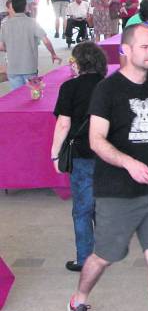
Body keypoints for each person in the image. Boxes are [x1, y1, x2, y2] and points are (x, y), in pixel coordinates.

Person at [67, 24, 148, 311]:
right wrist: (129, 163)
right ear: (125, 50)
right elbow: (96, 140)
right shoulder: (107, 90)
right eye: (144, 47)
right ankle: (79, 298)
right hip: (116, 192)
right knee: (104, 257)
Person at [50, 42, 107, 272]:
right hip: (107, 154)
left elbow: (64, 123)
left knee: (82, 208)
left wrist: (55, 154)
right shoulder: (109, 86)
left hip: (82, 154)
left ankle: (85, 258)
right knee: (101, 206)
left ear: (79, 63)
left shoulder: (70, 88)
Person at [0, 0, 60, 89]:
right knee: (33, 94)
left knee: (17, 96)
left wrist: (12, 47)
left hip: (12, 68)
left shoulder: (5, 25)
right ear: (25, 7)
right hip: (29, 67)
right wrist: (53, 53)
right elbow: (46, 41)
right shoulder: (32, 22)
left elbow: (1, 46)